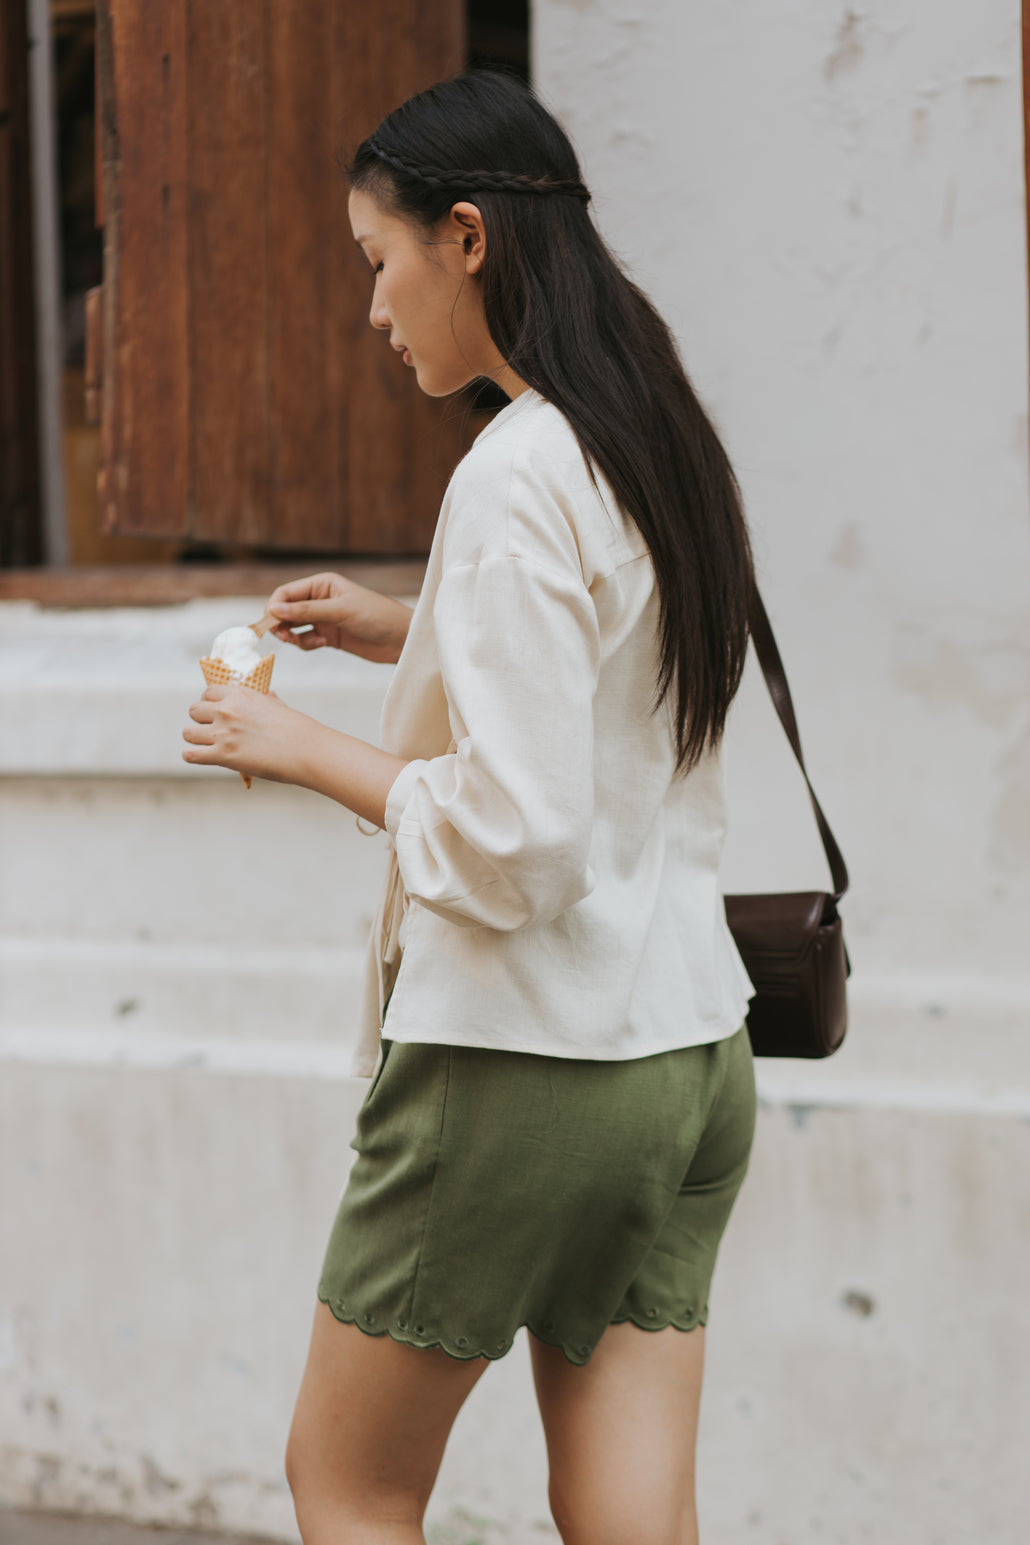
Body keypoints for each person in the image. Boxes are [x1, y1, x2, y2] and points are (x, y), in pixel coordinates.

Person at [183, 69, 757, 1545]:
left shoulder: (511, 475)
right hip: (684, 1051)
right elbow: (606, 671)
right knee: (634, 1512)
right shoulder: (647, 431)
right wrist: (411, 625)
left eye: (378, 263)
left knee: (351, 1485)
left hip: (517, 1062)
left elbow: (517, 840)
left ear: (465, 239)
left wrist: (294, 744)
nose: (376, 310)